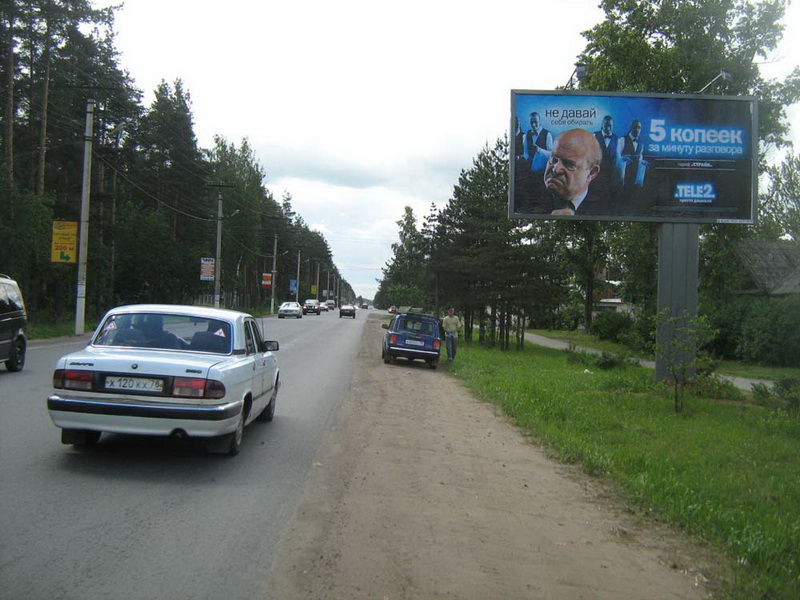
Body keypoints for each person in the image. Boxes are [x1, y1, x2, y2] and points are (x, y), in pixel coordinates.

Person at [543, 128, 607, 215]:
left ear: (591, 173)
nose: (556, 169)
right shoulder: (525, 199)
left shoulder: (610, 210)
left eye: (569, 164)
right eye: (554, 159)